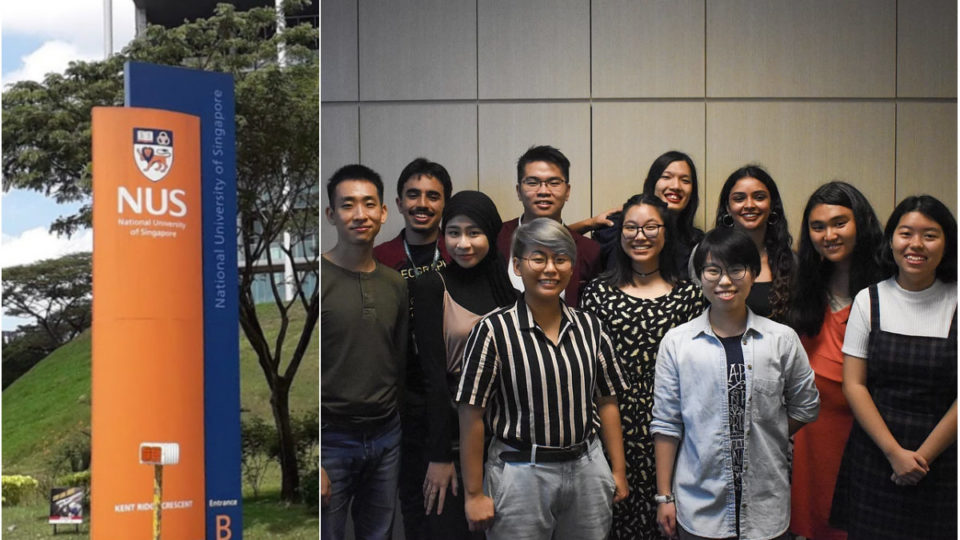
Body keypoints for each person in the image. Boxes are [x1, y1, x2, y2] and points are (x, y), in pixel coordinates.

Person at [457, 218, 629, 539]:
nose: (550, 268)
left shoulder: (591, 327)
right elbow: (471, 414)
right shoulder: (493, 330)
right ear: (518, 265)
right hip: (520, 472)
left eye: (561, 258)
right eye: (539, 258)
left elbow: (607, 400)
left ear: (572, 266)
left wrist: (616, 471)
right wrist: (473, 493)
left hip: (587, 468)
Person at [652, 227, 819, 540]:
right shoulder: (677, 343)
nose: (724, 281)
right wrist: (665, 496)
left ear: (753, 274)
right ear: (699, 276)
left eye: (736, 269)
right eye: (713, 270)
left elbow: (806, 405)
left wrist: (765, 429)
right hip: (699, 506)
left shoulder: (781, 339)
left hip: (766, 506)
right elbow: (666, 423)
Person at [830, 195, 957, 540]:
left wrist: (920, 458)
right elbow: (854, 385)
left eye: (929, 235)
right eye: (906, 233)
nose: (916, 244)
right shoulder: (868, 300)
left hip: (944, 460)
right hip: (876, 456)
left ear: (947, 243)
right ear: (891, 241)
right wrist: (894, 453)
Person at [580, 194, 706, 539]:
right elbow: (591, 372)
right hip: (612, 429)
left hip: (672, 431)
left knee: (669, 524)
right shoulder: (596, 293)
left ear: (666, 233)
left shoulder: (690, 296)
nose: (641, 235)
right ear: (619, 234)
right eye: (631, 227)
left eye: (651, 227)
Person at [413, 191, 518, 538]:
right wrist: (440, 456)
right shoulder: (432, 285)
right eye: (453, 233)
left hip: (505, 440)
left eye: (474, 232)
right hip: (454, 439)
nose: (463, 243)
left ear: (490, 232)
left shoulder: (507, 289)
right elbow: (431, 377)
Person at [786, 182, 884, 540]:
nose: (829, 235)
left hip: (868, 434)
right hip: (813, 434)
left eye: (839, 223)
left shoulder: (887, 286)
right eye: (818, 226)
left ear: (861, 223)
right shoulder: (806, 287)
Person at [321, 164, 408, 540]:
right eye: (348, 205)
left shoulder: (394, 284)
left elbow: (398, 360)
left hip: (387, 436)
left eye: (369, 204)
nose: (360, 215)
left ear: (384, 212)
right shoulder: (318, 278)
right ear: (330, 214)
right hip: (331, 442)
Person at [373, 157, 453, 539]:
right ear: (400, 203)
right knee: (413, 502)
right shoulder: (379, 260)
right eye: (414, 195)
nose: (423, 203)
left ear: (445, 204)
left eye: (433, 196)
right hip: (401, 402)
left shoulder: (461, 256)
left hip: (456, 402)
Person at [496, 145, 602, 307]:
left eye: (554, 182)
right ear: (518, 191)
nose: (543, 191)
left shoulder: (590, 251)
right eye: (533, 182)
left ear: (567, 191)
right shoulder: (496, 237)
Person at [574, 150, 704, 276]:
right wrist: (590, 223)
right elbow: (558, 241)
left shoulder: (695, 241)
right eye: (666, 177)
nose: (676, 186)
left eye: (685, 180)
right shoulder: (616, 227)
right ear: (651, 183)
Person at [712, 165, 795, 320]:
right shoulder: (708, 255)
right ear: (728, 208)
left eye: (759, 197)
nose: (749, 205)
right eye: (739, 198)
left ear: (772, 205)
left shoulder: (791, 261)